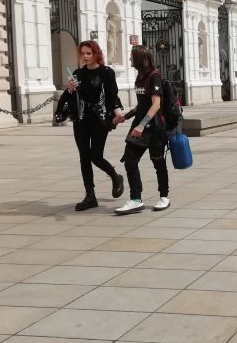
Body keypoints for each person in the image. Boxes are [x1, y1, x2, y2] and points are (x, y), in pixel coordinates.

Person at [65, 40, 125, 211]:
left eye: (88, 53)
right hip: (81, 120)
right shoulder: (77, 73)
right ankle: (90, 196)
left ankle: (115, 176)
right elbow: (73, 99)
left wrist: (117, 111)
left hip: (100, 119)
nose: (85, 56)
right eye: (83, 53)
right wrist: (70, 89)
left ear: (96, 53)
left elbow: (112, 95)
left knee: (96, 156)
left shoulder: (106, 72)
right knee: (84, 156)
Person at [114, 45, 170, 214]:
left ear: (139, 58)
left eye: (131, 56)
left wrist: (141, 125)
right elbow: (141, 105)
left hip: (153, 129)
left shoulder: (154, 76)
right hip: (139, 126)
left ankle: (164, 196)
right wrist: (126, 116)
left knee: (158, 162)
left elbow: (156, 105)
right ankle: (136, 199)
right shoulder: (140, 77)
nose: (130, 59)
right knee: (130, 160)